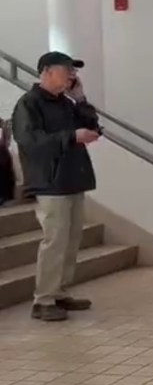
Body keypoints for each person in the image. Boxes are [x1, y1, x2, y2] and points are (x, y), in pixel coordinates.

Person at [12, 52, 101, 322]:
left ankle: (60, 291)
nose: (72, 75)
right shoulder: (29, 104)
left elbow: (91, 125)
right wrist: (71, 136)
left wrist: (81, 99)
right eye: (66, 70)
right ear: (47, 71)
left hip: (72, 178)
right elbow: (31, 142)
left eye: (73, 71)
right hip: (50, 182)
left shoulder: (66, 103)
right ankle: (44, 299)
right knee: (55, 240)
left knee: (72, 239)